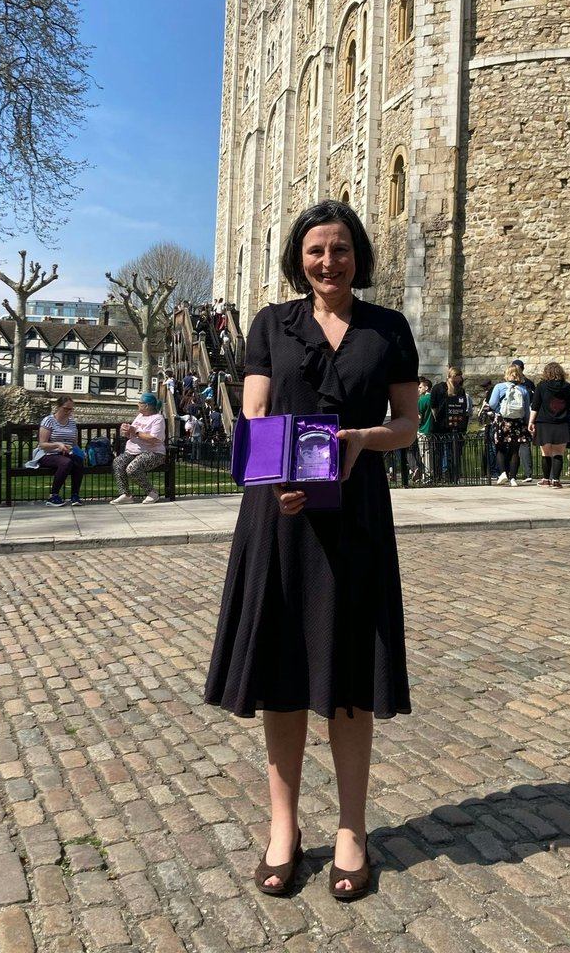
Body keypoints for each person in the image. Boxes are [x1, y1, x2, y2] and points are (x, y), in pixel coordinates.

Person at [204, 199, 419, 903]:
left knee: (350, 676)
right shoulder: (271, 323)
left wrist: (359, 440)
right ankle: (283, 828)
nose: (328, 261)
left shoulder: (388, 328)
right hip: (282, 516)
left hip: (355, 515)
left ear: (359, 255)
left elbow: (407, 425)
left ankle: (353, 830)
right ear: (299, 256)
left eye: (341, 249)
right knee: (285, 673)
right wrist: (282, 476)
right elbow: (256, 413)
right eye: (316, 249)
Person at [110, 392, 167, 505]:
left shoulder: (158, 419)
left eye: (140, 403)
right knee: (118, 462)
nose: (138, 405)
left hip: (153, 452)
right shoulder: (140, 416)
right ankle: (125, 494)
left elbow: (154, 439)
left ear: (147, 406)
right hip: (133, 451)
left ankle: (152, 493)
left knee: (132, 468)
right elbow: (132, 434)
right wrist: (127, 431)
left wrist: (135, 431)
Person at [529, 362, 570, 488]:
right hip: (562, 422)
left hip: (544, 422)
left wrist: (531, 421)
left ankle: (546, 479)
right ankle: (556, 480)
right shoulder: (568, 387)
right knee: (558, 453)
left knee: (546, 453)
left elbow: (535, 405)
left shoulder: (541, 386)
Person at [37, 396, 84, 507]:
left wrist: (72, 449)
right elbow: (42, 444)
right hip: (48, 453)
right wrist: (58, 445)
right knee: (66, 462)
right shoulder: (48, 420)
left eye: (70, 409)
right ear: (58, 407)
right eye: (65, 409)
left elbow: (74, 443)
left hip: (66, 453)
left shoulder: (72, 423)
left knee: (78, 461)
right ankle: (53, 495)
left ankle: (75, 495)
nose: (68, 412)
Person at [488, 364, 531, 486]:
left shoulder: (500, 387)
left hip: (502, 421)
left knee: (500, 448)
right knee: (515, 450)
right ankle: (513, 478)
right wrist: (527, 424)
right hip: (518, 422)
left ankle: (502, 473)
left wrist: (497, 410)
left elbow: (492, 403)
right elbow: (527, 409)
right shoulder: (524, 390)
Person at [431, 367, 470, 483]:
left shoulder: (458, 390)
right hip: (447, 423)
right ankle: (443, 474)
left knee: (445, 451)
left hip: (447, 423)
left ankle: (444, 474)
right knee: (444, 450)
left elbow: (433, 406)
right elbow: (433, 405)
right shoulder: (440, 388)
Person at [510, 360, 536, 482]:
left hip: (511, 419)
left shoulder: (506, 385)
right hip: (524, 417)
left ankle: (514, 474)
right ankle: (525, 473)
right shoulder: (529, 385)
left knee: (515, 446)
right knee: (522, 446)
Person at [416, 376, 434, 482]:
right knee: (431, 453)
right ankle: (430, 473)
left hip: (423, 430)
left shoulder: (422, 400)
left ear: (426, 388)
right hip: (433, 430)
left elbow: (419, 417)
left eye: (420, 387)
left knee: (424, 454)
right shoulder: (433, 398)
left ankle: (427, 475)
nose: (418, 389)